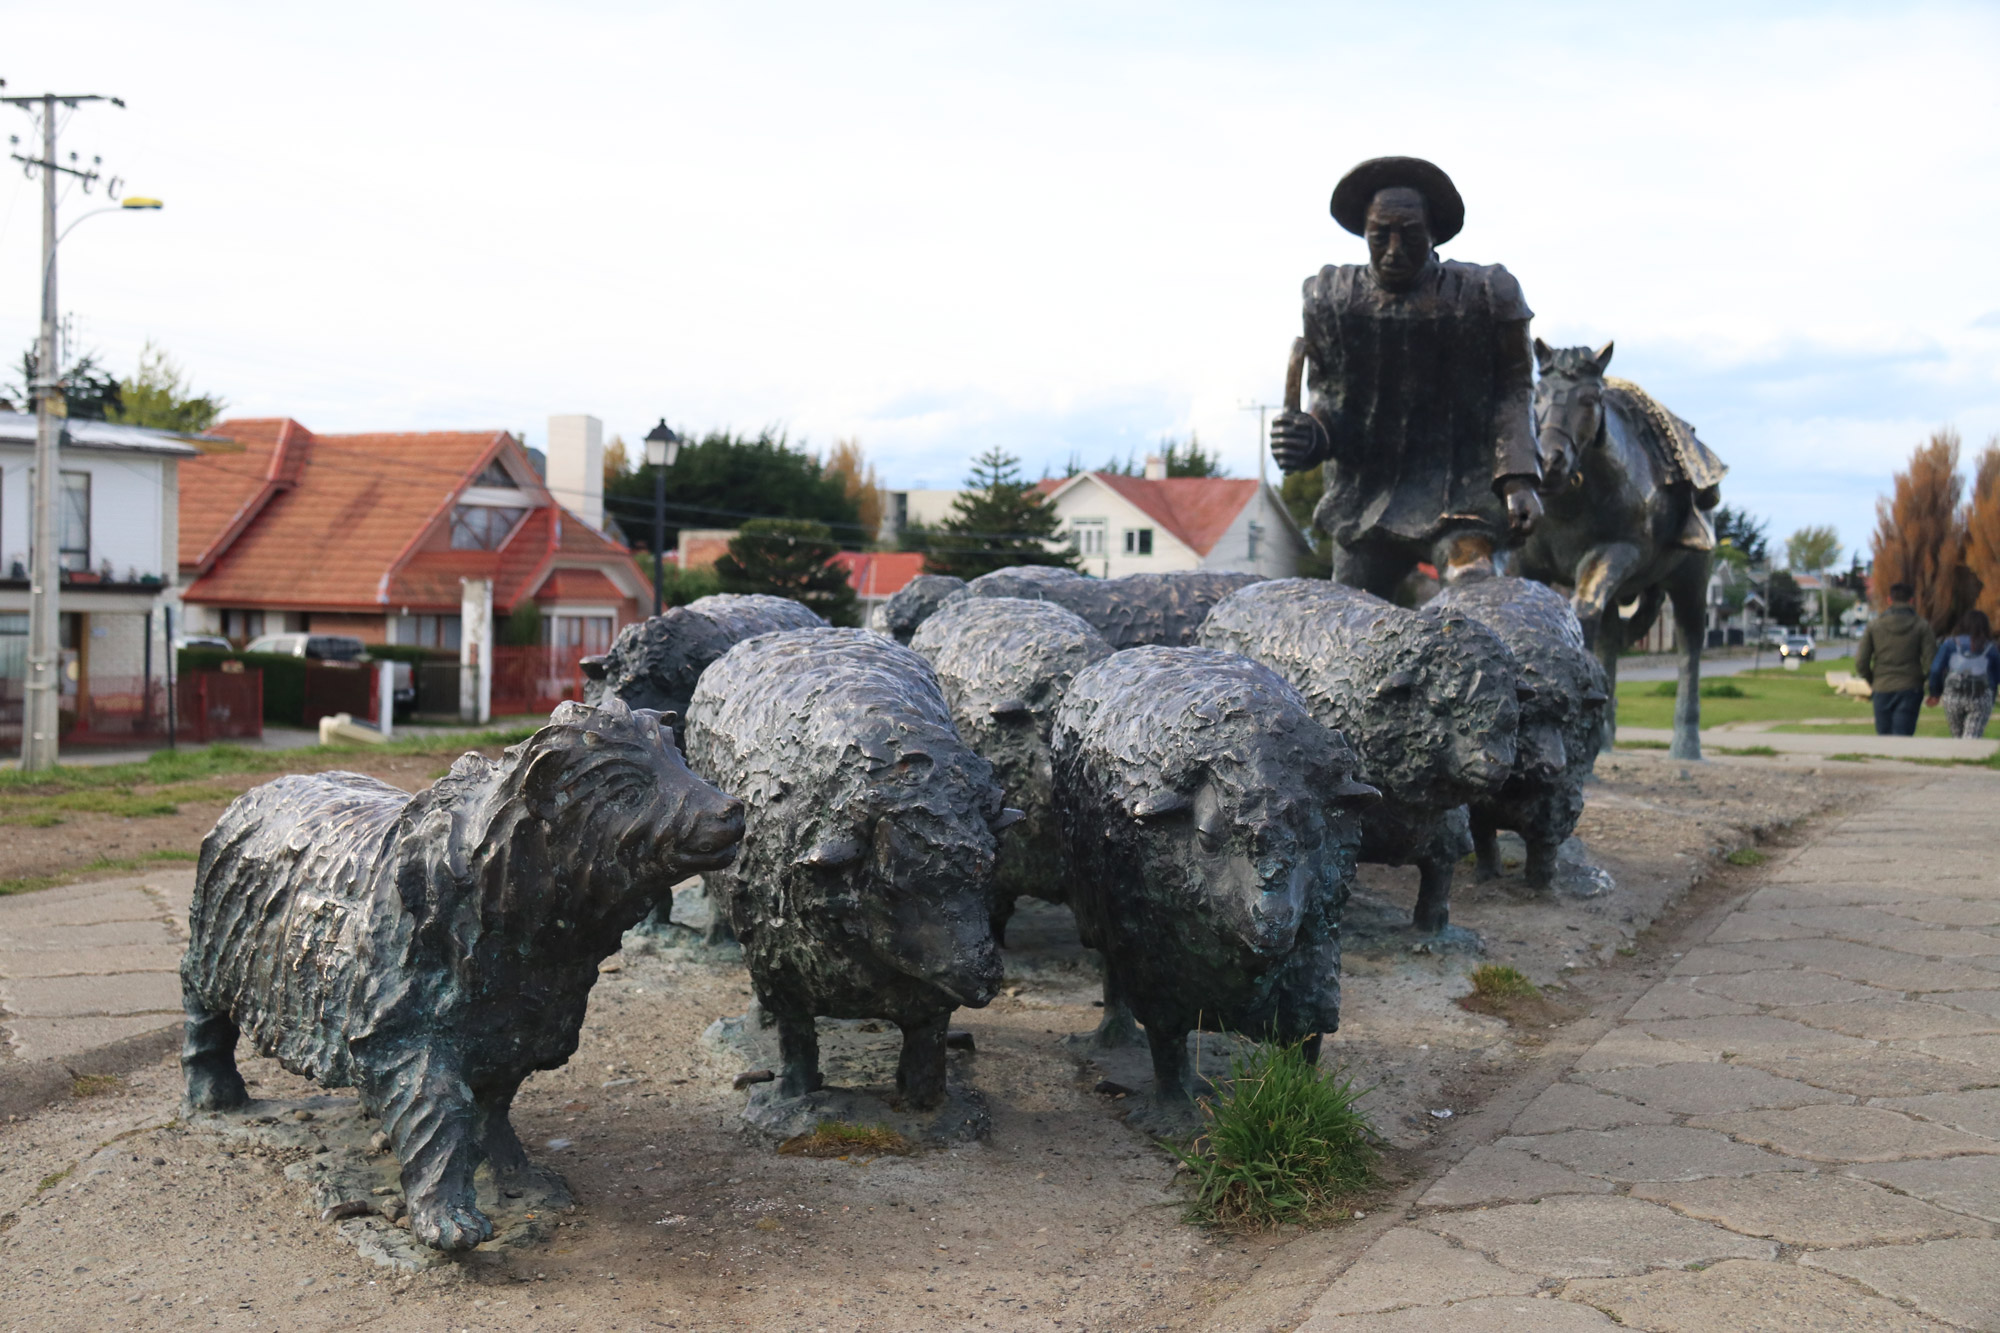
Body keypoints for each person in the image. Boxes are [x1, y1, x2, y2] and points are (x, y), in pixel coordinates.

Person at [1269, 156, 1542, 597]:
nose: (1394, 250)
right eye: (1380, 236)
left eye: (1410, 235)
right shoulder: (1331, 300)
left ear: (1433, 232)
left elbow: (1514, 389)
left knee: (1471, 592)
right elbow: (1329, 399)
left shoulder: (1486, 296)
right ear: (1364, 233)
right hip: (1368, 497)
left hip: (1463, 493)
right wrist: (1311, 437)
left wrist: (1519, 479)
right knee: (1348, 613)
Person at [1854, 582, 1937, 736]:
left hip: (1882, 686)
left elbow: (1861, 662)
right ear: (1912, 600)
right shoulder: (1922, 626)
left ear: (1889, 600)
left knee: (1884, 736)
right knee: (1903, 736)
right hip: (1910, 687)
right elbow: (1931, 662)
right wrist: (1926, 682)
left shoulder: (1874, 625)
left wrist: (1872, 680)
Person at [1926, 609, 2000, 739]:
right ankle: (1968, 756)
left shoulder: (1950, 644)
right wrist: (1992, 694)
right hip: (1981, 696)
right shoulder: (1990, 647)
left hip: (1953, 696)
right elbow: (1996, 674)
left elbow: (1936, 669)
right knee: (1972, 736)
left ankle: (1960, 757)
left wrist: (1935, 692)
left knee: (1957, 736)